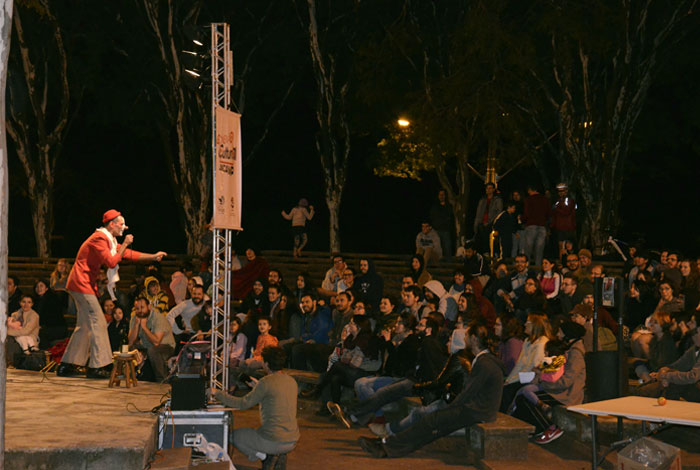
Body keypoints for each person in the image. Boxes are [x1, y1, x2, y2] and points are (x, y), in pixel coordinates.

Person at [357, 322, 504, 458]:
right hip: (477, 409)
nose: (464, 338)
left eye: (466, 335)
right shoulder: (485, 360)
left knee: (431, 420)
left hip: (477, 411)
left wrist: (450, 409)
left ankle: (386, 446)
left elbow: (468, 393)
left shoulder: (484, 364)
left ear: (473, 339)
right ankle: (387, 446)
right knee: (432, 426)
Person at [57, 210, 167, 379]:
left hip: (82, 284)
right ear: (112, 224)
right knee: (99, 321)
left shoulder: (108, 239)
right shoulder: (99, 238)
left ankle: (67, 365)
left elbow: (128, 254)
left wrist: (152, 257)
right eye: (122, 224)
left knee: (85, 325)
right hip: (81, 283)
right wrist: (125, 243)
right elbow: (112, 261)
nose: (125, 227)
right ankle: (98, 366)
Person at [212, 347, 299, 468]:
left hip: (273, 439)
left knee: (234, 436)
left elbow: (243, 404)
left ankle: (266, 457)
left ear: (266, 364)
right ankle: (278, 455)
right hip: (292, 439)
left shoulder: (265, 383)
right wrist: (257, 387)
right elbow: (276, 394)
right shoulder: (292, 381)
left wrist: (217, 393)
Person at [638, 327, 700, 402]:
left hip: (693, 388)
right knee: (671, 379)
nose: (694, 336)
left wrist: (666, 376)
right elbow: (677, 365)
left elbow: (693, 377)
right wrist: (663, 371)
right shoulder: (694, 350)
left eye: (697, 333)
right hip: (685, 385)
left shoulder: (667, 341)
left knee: (673, 383)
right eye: (694, 333)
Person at [128, 297, 176, 382]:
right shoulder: (135, 318)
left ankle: (161, 380)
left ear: (149, 307)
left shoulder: (158, 318)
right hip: (146, 345)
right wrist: (136, 325)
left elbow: (156, 342)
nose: (140, 311)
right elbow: (131, 341)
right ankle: (132, 376)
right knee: (130, 348)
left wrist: (144, 327)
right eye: (137, 308)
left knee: (153, 351)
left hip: (166, 346)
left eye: (142, 307)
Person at [33, 279, 68, 348]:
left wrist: (41, 326)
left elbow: (53, 317)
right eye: (37, 287)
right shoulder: (37, 300)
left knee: (41, 333)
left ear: (46, 288)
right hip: (46, 326)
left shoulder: (52, 299)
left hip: (56, 327)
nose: (39, 288)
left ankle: (45, 354)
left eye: (41, 286)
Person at [522, 184, 551, 266]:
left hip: (531, 225)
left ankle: (526, 268)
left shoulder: (529, 200)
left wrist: (522, 219)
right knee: (539, 251)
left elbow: (526, 213)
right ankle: (538, 270)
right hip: (542, 226)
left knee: (528, 249)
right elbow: (549, 213)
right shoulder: (545, 199)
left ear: (530, 190)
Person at [473, 182, 503, 255]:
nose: (488, 190)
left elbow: (498, 212)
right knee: (479, 236)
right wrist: (476, 224)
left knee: (488, 235)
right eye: (487, 188)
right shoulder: (482, 200)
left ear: (493, 189)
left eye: (490, 188)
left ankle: (489, 251)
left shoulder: (497, 200)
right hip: (481, 222)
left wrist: (490, 221)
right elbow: (478, 213)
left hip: (491, 223)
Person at [550, 183, 576, 259]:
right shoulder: (557, 201)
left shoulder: (569, 201)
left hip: (568, 228)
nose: (561, 193)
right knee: (561, 247)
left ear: (566, 191)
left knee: (569, 247)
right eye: (559, 191)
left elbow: (566, 212)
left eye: (562, 191)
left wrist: (557, 209)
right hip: (559, 228)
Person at [429, 189, 454, 258]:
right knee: (437, 249)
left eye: (443, 194)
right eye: (440, 195)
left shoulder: (449, 206)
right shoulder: (435, 206)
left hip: (446, 230)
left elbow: (450, 218)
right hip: (436, 230)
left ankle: (448, 265)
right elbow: (432, 217)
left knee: (447, 248)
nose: (441, 196)